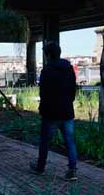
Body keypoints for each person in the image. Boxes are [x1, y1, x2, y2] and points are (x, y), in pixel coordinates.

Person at [30, 42, 78, 181]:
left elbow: (43, 93)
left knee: (45, 141)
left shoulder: (47, 70)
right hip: (67, 111)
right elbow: (73, 90)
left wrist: (43, 108)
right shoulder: (69, 69)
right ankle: (72, 170)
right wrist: (68, 102)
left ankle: (40, 167)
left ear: (48, 54)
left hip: (50, 113)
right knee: (70, 141)